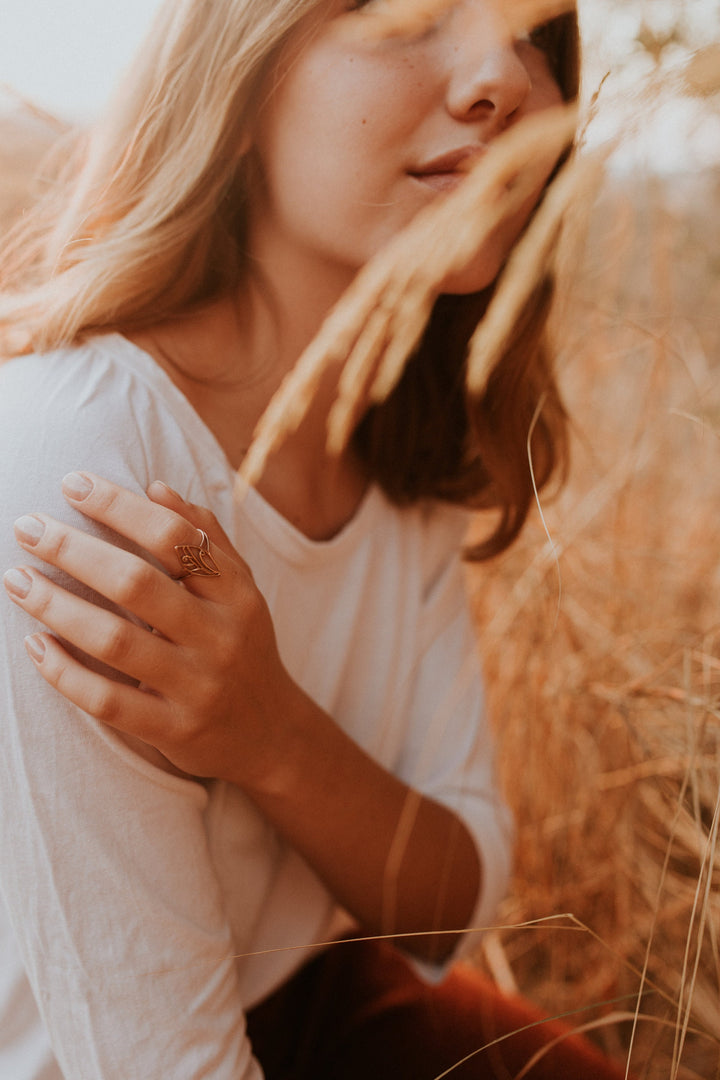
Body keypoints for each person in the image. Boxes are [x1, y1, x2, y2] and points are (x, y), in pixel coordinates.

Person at [0, 0, 629, 1077]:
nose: (505, 77)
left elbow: (455, 904)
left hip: (297, 986)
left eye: (537, 29)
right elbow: (159, 1061)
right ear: (237, 80)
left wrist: (272, 735)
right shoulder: (77, 465)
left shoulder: (405, 446)